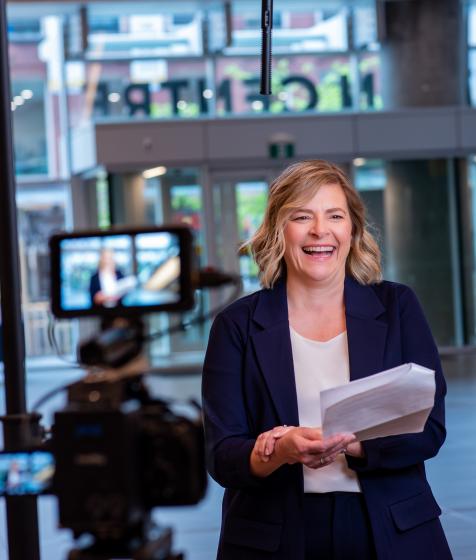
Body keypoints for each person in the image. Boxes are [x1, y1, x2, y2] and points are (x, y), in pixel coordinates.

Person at [201, 160, 452, 560]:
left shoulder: (397, 306)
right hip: (275, 532)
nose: (320, 230)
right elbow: (222, 455)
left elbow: (430, 428)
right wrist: (281, 450)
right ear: (279, 230)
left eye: (334, 215)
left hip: (389, 526)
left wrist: (353, 445)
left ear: (352, 229)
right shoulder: (236, 325)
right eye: (302, 216)